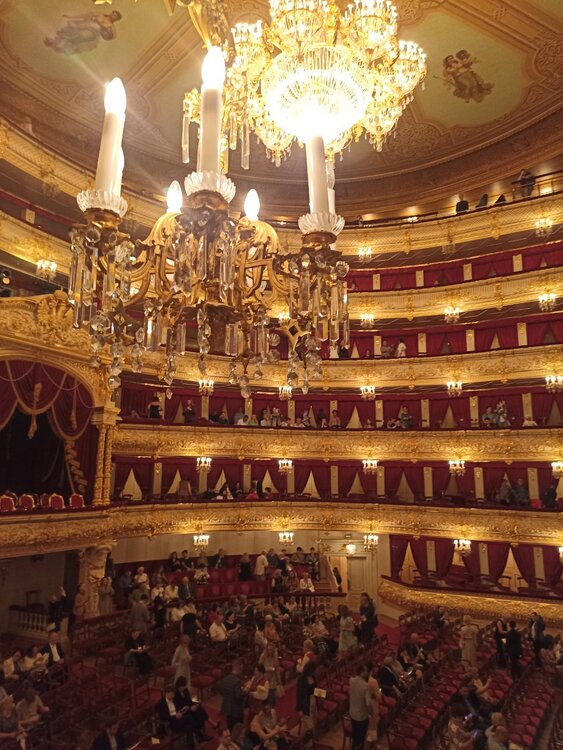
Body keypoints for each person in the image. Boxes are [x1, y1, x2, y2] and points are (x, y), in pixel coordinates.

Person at [349, 664, 372, 750]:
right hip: (362, 716)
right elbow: (368, 704)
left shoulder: (351, 680)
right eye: (366, 671)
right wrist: (370, 713)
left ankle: (354, 746)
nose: (367, 672)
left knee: (355, 733)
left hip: (352, 713)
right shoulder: (366, 686)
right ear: (362, 672)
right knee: (361, 737)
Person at [219, 660, 247, 730]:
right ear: (238, 669)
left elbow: (221, 692)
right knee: (238, 728)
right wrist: (244, 690)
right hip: (236, 710)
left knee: (230, 726)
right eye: (241, 669)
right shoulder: (237, 681)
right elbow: (238, 695)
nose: (242, 671)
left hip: (227, 708)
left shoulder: (225, 679)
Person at [365, 662, 381, 749]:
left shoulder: (360, 679)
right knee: (373, 727)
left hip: (363, 704)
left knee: (369, 726)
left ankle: (372, 743)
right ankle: (372, 745)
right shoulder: (373, 681)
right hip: (372, 704)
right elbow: (378, 697)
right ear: (371, 670)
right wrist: (379, 693)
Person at [260, 642, 281, 706]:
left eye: (272, 650)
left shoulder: (275, 656)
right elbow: (259, 668)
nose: (270, 651)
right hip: (265, 678)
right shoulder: (263, 656)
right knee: (265, 698)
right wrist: (267, 669)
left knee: (272, 698)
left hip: (272, 679)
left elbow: (277, 668)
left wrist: (278, 680)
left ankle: (272, 709)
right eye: (269, 650)